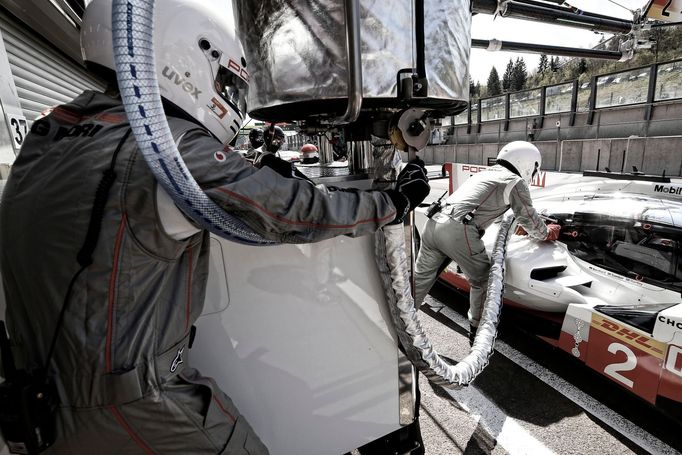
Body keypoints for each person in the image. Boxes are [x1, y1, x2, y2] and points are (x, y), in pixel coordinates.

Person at [0, 0, 429, 453]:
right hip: (132, 401)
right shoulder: (166, 150)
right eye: (228, 84)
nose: (230, 102)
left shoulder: (52, 133)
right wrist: (393, 202)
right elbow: (291, 211)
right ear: (187, 60)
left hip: (34, 401)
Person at [413, 141, 560, 345]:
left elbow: (484, 206)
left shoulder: (485, 174)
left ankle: (398, 321)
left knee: (420, 280)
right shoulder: (515, 182)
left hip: (435, 223)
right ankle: (477, 333)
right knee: (482, 280)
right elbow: (529, 217)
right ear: (528, 163)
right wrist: (546, 233)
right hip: (459, 230)